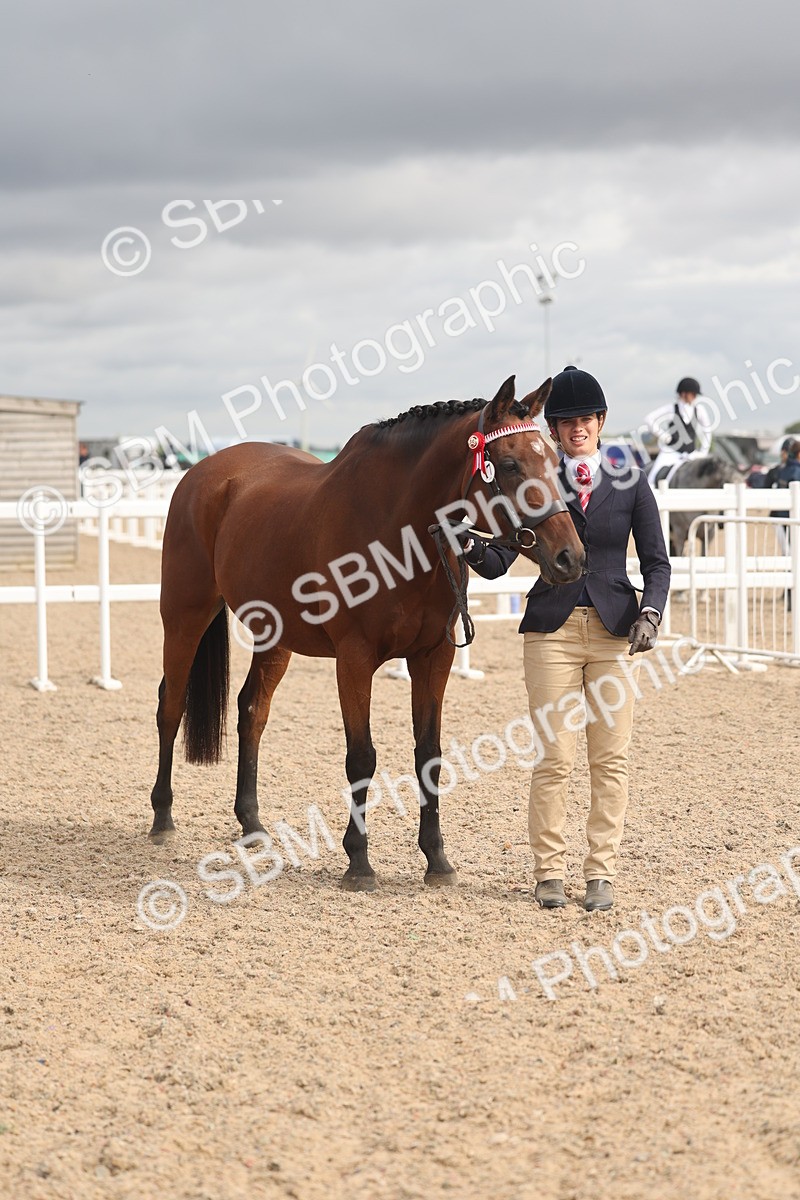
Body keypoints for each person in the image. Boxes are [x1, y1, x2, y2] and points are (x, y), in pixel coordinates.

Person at [462, 366, 671, 911]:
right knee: (553, 757)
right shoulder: (536, 481)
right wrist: (467, 544)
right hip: (550, 632)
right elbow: (500, 558)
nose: (577, 428)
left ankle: (600, 873)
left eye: (586, 419)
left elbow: (656, 561)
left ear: (601, 423)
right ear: (553, 429)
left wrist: (651, 612)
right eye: (566, 421)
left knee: (610, 758)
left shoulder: (628, 479)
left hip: (611, 633)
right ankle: (549, 871)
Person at [646, 376, 713, 485]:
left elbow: (707, 430)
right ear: (684, 393)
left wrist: (704, 451)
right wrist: (663, 435)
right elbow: (649, 419)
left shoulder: (699, 410)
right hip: (671, 452)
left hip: (691, 454)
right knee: (652, 477)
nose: (695, 397)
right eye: (693, 394)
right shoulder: (672, 408)